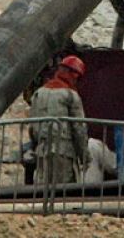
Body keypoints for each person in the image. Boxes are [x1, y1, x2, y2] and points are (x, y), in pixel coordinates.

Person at [29, 55, 90, 185]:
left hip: (42, 151)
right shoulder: (70, 95)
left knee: (43, 193)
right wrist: (85, 156)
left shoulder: (38, 93)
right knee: (63, 194)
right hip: (63, 153)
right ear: (74, 75)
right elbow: (79, 129)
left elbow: (33, 127)